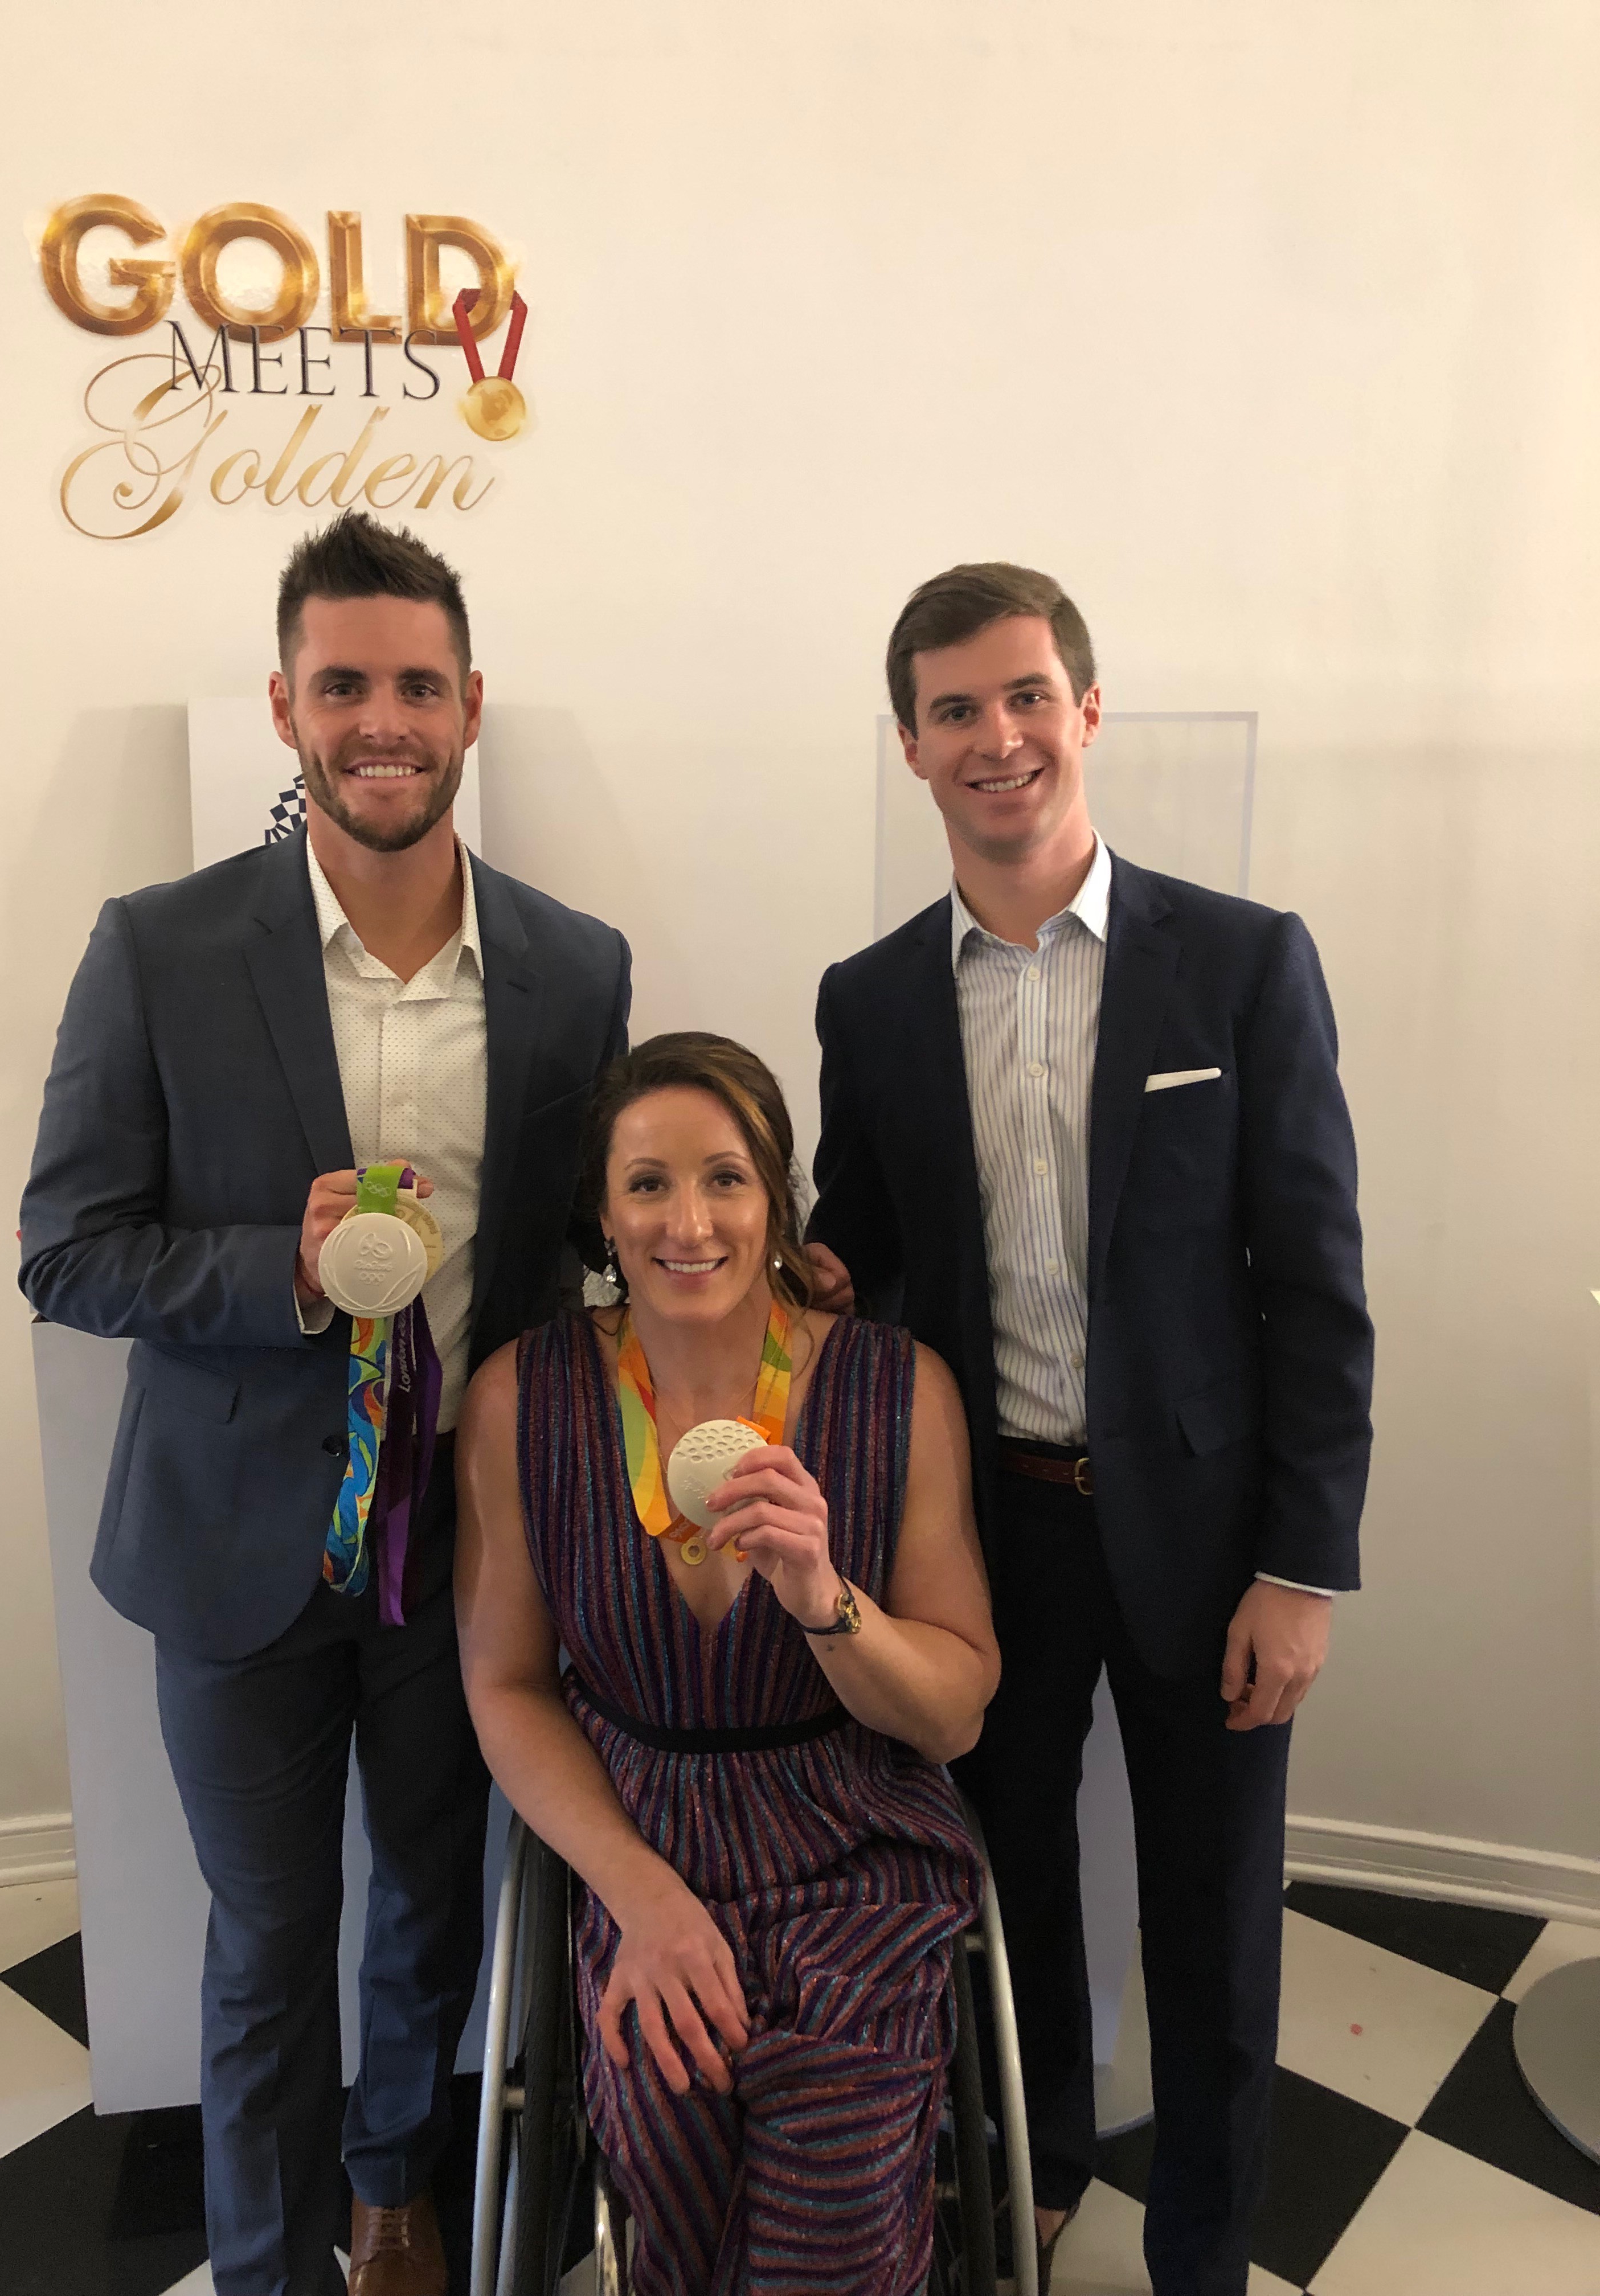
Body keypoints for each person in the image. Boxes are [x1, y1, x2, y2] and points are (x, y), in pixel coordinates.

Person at [19, 511, 629, 2296]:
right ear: (286, 707)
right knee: (271, 1937)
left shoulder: (576, 965)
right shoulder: (160, 949)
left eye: (419, 686)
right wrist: (280, 1276)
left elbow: (582, 1248)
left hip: (466, 1549)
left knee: (431, 1904)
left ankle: (393, 2195)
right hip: (235, 1550)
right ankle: (270, 2266)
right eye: (344, 683)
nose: (385, 720)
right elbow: (68, 1253)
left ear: (471, 708)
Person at [806, 564, 1373, 2296]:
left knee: (1211, 1905)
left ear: (1089, 708)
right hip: (988, 1531)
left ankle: (1202, 2244)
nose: (999, 738)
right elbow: (864, 1251)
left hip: (1210, 1538)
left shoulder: (1246, 963)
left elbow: (1317, 1289)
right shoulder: (870, 1001)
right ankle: (1031, 2168)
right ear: (910, 746)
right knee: (1007, 1878)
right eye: (956, 710)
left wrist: (1304, 1568)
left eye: (1028, 695)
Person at [455, 1032, 999, 2296]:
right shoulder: (522, 1400)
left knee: (833, 2207)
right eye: (647, 1184)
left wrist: (824, 1600)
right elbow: (507, 1685)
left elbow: (956, 1715)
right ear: (603, 1213)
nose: (688, 1222)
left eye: (726, 1180)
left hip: (852, 1844)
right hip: (640, 1837)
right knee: (664, 2140)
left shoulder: (897, 1389)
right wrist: (642, 1900)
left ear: (775, 1203)